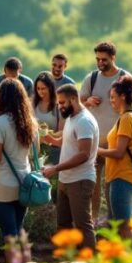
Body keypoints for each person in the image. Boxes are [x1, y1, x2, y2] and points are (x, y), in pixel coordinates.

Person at [79, 41, 132, 223]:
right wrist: (88, 102)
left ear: (113, 58)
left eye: (104, 59)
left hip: (117, 140)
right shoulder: (91, 78)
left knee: (112, 182)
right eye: (98, 59)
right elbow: (79, 102)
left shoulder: (124, 78)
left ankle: (113, 220)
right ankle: (93, 220)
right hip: (94, 139)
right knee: (92, 182)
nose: (100, 63)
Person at [42, 84, 99, 249]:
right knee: (63, 224)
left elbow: (83, 154)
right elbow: (68, 141)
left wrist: (56, 168)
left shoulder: (84, 121)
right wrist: (51, 140)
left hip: (80, 180)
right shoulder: (71, 118)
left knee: (83, 226)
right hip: (66, 180)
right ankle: (66, 261)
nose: (59, 106)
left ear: (73, 99)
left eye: (62, 103)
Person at [0, 78, 36, 263]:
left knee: (9, 234)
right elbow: (33, 154)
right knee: (19, 229)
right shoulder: (30, 121)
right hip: (24, 181)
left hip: (3, 182)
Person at [97, 75, 132, 242]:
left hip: (122, 177)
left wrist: (98, 151)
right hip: (125, 177)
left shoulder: (126, 119)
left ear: (123, 96)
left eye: (113, 97)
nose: (111, 101)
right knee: (121, 225)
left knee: (124, 226)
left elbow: (119, 152)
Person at [33, 71, 64, 165]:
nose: (40, 92)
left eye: (43, 88)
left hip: (54, 151)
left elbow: (62, 131)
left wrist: (47, 136)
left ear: (50, 88)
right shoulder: (32, 105)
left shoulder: (59, 106)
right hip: (35, 150)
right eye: (38, 89)